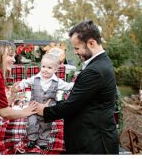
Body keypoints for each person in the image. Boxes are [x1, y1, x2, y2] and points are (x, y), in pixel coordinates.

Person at [41, 20, 119, 154]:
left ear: (91, 43)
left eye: (77, 48)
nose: (76, 52)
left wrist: (44, 110)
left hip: (94, 143)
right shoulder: (101, 62)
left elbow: (71, 105)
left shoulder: (95, 70)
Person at [11, 50, 74, 151]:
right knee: (32, 123)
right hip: (34, 107)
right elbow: (25, 82)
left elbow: (68, 86)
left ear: (56, 69)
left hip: (47, 110)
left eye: (49, 68)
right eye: (43, 66)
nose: (45, 70)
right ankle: (32, 139)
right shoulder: (35, 78)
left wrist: (77, 84)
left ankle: (43, 141)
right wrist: (19, 86)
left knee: (45, 125)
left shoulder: (58, 82)